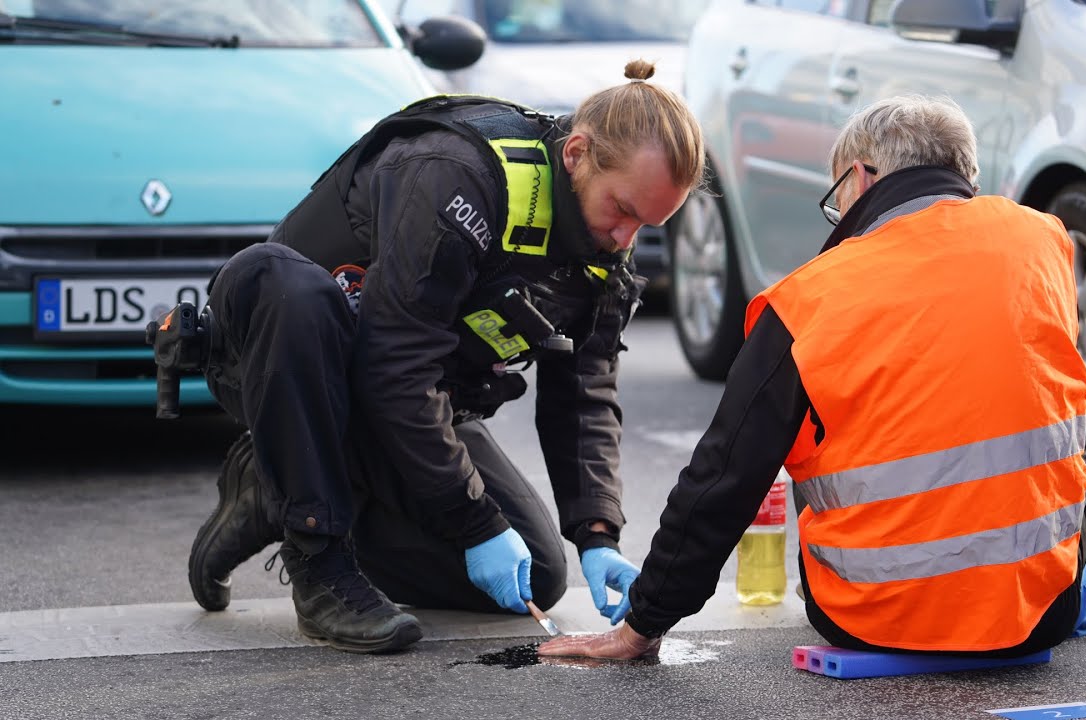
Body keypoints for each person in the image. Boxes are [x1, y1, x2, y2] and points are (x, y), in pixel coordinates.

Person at [538, 94, 1086, 661]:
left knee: (811, 416)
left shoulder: (808, 298)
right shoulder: (1043, 240)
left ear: (861, 179)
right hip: (1036, 616)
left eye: (837, 197)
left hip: (869, 618)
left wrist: (642, 624)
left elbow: (725, 474)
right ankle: (1053, 578)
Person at [160, 59, 704, 654]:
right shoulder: (457, 175)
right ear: (575, 154)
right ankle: (319, 561)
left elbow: (584, 398)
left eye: (646, 225)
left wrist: (598, 534)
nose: (626, 239)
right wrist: (473, 521)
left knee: (538, 576)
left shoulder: (603, 249)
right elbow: (394, 363)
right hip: (283, 362)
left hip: (414, 395)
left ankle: (274, 489)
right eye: (623, 210)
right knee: (289, 284)